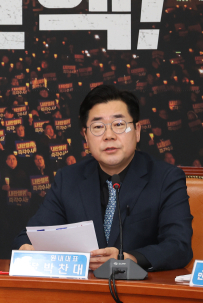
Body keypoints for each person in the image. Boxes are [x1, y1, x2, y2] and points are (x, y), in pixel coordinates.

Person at [13, 85, 192, 271]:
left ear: (137, 130)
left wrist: (127, 259)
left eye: (119, 124)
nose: (109, 136)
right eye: (98, 127)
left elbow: (179, 246)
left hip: (139, 286)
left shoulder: (166, 178)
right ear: (85, 136)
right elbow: (28, 237)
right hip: (84, 286)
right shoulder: (68, 179)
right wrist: (28, 248)